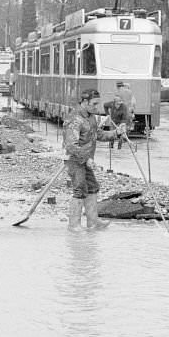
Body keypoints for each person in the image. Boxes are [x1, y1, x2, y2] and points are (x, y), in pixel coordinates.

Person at [64, 88, 125, 230]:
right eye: (94, 104)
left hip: (85, 160)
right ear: (85, 102)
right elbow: (71, 145)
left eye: (98, 104)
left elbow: (98, 135)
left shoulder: (91, 117)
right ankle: (74, 225)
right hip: (74, 160)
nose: (97, 107)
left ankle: (93, 223)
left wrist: (116, 133)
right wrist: (86, 158)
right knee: (79, 190)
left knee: (92, 187)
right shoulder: (74, 119)